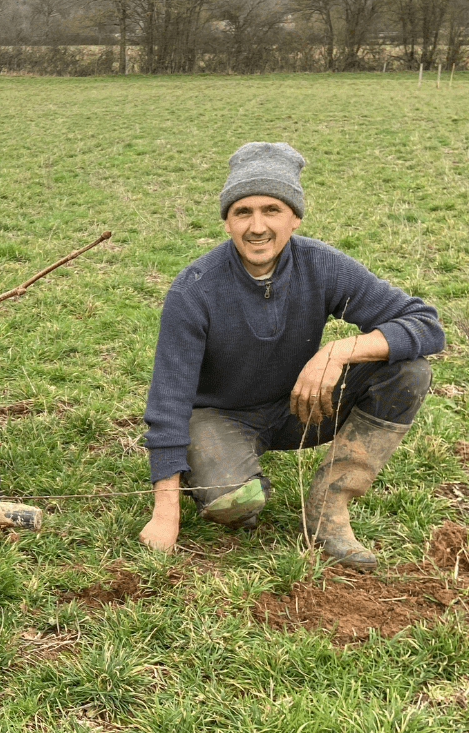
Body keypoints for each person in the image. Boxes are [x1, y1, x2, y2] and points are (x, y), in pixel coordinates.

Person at [140, 142, 445, 567]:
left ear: (295, 217)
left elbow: (425, 324)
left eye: (272, 210)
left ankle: (329, 507)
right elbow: (168, 401)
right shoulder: (193, 290)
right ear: (226, 221)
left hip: (301, 406)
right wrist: (165, 514)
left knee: (408, 371)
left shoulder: (322, 265)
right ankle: (207, 469)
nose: (257, 226)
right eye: (242, 212)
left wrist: (339, 351)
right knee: (237, 505)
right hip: (219, 415)